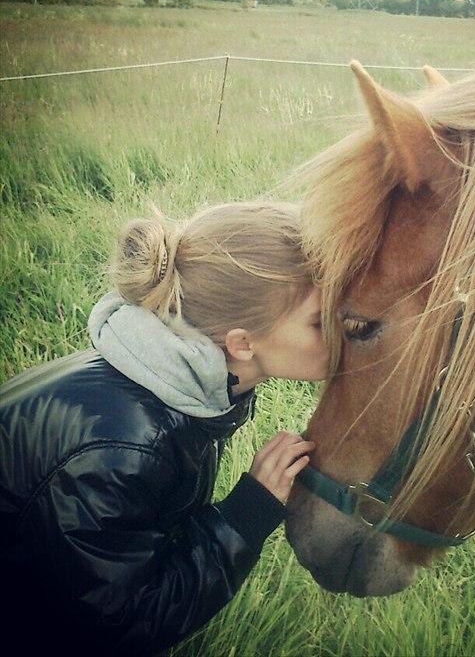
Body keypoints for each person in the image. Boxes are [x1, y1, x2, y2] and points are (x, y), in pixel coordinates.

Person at [0, 201, 328, 655]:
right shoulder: (127, 449)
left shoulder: (171, 382)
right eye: (319, 321)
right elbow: (120, 627)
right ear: (242, 343)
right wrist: (246, 515)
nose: (341, 331)